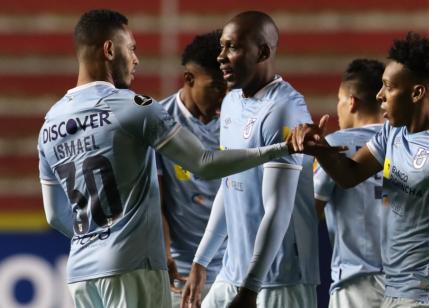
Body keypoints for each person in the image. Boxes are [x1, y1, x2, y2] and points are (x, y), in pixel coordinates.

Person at [37, 9, 296, 308]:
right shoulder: (134, 107)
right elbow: (204, 163)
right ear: (109, 50)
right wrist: (281, 148)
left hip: (81, 272)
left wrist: (98, 240)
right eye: (131, 48)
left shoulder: (50, 122)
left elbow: (55, 215)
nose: (136, 59)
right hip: (132, 264)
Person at [290, 32, 429, 307]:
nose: (380, 96)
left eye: (388, 87)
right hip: (395, 292)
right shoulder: (392, 134)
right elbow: (349, 175)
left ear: (417, 92)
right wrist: (319, 148)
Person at [181, 10, 319, 308]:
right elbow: (229, 186)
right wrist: (201, 261)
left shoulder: (283, 109)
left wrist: (251, 288)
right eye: (221, 46)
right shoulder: (231, 101)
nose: (221, 56)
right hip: (234, 272)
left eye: (233, 47)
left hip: (279, 281)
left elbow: (277, 209)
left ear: (263, 52)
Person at [156, 30, 227, 307]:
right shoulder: (159, 123)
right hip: (180, 275)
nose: (224, 96)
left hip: (230, 271)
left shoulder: (236, 123)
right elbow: (156, 201)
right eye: (216, 87)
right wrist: (164, 254)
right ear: (189, 78)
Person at [314, 59, 386, 308]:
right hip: (408, 282)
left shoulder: (334, 147)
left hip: (356, 285)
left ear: (352, 102)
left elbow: (309, 211)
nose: (338, 108)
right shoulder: (406, 142)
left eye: (339, 100)